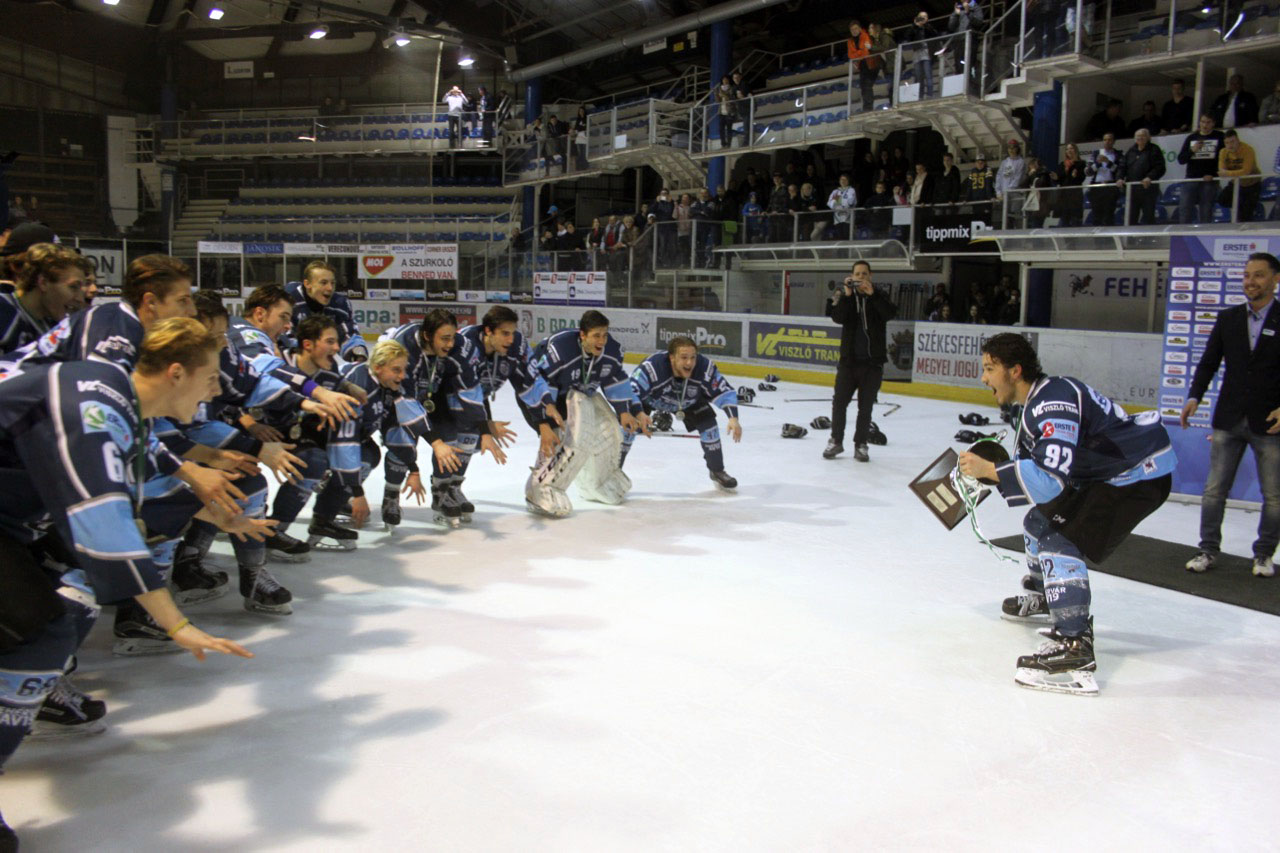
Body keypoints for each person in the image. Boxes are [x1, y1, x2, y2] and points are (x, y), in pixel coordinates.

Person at [0, 318, 263, 849]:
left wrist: (217, 516)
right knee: (45, 631)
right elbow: (105, 522)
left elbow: (130, 498)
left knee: (66, 605)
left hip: (17, 526)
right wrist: (177, 624)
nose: (216, 391)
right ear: (175, 373)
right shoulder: (96, 407)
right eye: (210, 378)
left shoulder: (123, 405)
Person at [956, 333, 1175, 695]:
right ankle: (1049, 596)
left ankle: (1075, 647)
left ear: (1015, 371)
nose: (984, 377)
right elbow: (1039, 469)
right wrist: (990, 473)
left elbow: (1050, 483)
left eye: (990, 368)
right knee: (1037, 523)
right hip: (1109, 471)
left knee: (1059, 542)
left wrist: (992, 471)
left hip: (1137, 474)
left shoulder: (1051, 403)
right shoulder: (1036, 400)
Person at [1180, 252, 1280, 577]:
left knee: (1274, 496)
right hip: (1229, 418)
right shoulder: (1228, 318)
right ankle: (1207, 550)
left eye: (1259, 275)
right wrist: (1194, 396)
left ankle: (1264, 555)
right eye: (1247, 275)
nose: (1251, 281)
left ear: (1276, 279)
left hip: (1270, 422)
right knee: (1214, 491)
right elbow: (1209, 361)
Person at [381, 308, 504, 527]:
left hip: (433, 394)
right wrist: (435, 442)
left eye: (453, 337)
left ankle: (442, 491)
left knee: (451, 438)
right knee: (404, 441)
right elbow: (405, 401)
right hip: (397, 396)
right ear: (427, 336)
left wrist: (484, 431)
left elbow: (470, 389)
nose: (450, 343)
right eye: (444, 338)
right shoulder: (403, 348)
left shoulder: (460, 347)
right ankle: (391, 495)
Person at [526, 310, 644, 517]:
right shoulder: (561, 349)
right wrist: (545, 422)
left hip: (578, 395)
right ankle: (539, 487)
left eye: (604, 335)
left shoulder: (611, 351)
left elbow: (615, 379)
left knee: (608, 430)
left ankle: (597, 482)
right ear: (582, 335)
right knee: (562, 438)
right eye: (596, 335)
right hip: (543, 395)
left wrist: (625, 411)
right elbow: (539, 382)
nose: (602, 341)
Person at [623, 336, 742, 490]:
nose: (689, 363)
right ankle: (613, 471)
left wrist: (733, 418)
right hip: (650, 400)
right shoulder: (652, 368)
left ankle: (717, 470)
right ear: (671, 357)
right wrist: (639, 414)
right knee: (626, 426)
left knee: (709, 425)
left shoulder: (704, 368)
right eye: (684, 357)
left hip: (689, 401)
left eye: (693, 357)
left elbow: (724, 390)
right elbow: (630, 391)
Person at [823, 260, 897, 462]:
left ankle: (861, 444)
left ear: (870, 276)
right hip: (849, 363)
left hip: (872, 364)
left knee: (865, 408)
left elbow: (889, 313)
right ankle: (836, 440)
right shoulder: (846, 295)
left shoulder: (879, 295)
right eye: (857, 274)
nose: (861, 277)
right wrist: (847, 295)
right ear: (852, 276)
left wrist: (872, 295)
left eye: (864, 274)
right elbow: (838, 317)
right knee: (839, 403)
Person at [0, 242, 90, 355]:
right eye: (73, 287)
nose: (80, 299)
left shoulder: (52, 326)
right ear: (43, 282)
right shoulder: (5, 314)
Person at [285, 260, 367, 361]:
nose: (330, 288)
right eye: (323, 283)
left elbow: (348, 334)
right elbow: (284, 338)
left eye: (333, 283)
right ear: (307, 284)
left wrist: (357, 352)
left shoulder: (340, 304)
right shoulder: (288, 301)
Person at [1174, 114, 1224, 225]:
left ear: (1213, 123)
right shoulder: (1192, 137)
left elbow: (1223, 158)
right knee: (1185, 208)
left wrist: (1214, 174)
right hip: (1191, 178)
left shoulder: (1220, 136)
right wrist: (1192, 150)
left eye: (1208, 122)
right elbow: (1181, 159)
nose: (1205, 125)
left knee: (1206, 209)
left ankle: (1204, 232)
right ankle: (1183, 232)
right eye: (1203, 122)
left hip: (1209, 180)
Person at [1120, 128, 1166, 225]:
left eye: (1143, 136)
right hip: (1132, 190)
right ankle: (1130, 235)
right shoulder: (1131, 151)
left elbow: (1160, 167)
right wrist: (1119, 178)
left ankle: (1149, 234)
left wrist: (1149, 177)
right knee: (1130, 218)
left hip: (1148, 189)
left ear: (1148, 138)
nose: (1140, 138)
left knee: (1148, 217)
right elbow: (1122, 166)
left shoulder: (1154, 149)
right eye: (1138, 136)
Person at [1217, 129, 1262, 222]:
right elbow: (1222, 171)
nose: (1230, 145)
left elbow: (1246, 171)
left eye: (1232, 141)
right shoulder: (1223, 152)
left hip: (1251, 184)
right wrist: (1230, 173)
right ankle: (1239, 206)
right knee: (1222, 200)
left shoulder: (1248, 149)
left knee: (1245, 215)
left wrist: (1228, 173)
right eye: (1227, 143)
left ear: (1238, 140)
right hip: (1236, 183)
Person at [1084, 133, 1121, 225]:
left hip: (1110, 187)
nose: (1107, 142)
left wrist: (1107, 162)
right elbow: (1089, 172)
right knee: (1096, 215)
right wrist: (1098, 164)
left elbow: (1119, 170)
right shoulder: (1096, 153)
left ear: (1113, 141)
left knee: (1109, 215)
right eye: (1105, 140)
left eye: (1109, 140)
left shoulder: (1117, 154)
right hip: (1097, 187)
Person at [847, 20, 878, 113]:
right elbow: (850, 55)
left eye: (856, 28)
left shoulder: (865, 36)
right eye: (852, 29)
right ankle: (867, 107)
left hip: (869, 63)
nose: (854, 31)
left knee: (867, 85)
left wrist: (857, 53)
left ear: (860, 28)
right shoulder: (850, 41)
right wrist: (860, 52)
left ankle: (868, 108)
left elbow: (866, 52)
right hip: (861, 65)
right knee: (863, 86)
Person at [994, 140, 1027, 227]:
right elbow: (999, 176)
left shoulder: (1020, 162)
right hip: (1004, 194)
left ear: (1017, 149)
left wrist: (1008, 190)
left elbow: (1018, 178)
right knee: (1005, 219)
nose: (1011, 150)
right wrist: (998, 192)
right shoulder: (1004, 162)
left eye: (1013, 148)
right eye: (1009, 148)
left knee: (1016, 216)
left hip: (1014, 194)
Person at [907, 12, 938, 100]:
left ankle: (929, 94)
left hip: (927, 52)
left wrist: (925, 26)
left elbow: (934, 34)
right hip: (917, 53)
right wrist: (915, 25)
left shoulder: (929, 27)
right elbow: (908, 37)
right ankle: (920, 96)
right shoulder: (914, 28)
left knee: (928, 75)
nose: (923, 18)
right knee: (919, 76)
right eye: (921, 17)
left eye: (925, 17)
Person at [1020, 156, 1053, 228]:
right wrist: (1029, 176)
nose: (1032, 166)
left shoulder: (1044, 173)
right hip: (1031, 203)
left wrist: (1034, 174)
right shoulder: (1030, 175)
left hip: (1041, 203)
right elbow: (1022, 185)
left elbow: (1040, 184)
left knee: (1036, 224)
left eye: (1033, 164)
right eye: (1030, 165)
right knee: (1031, 224)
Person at [964, 154, 995, 223]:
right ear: (975, 163)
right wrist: (966, 198)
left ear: (985, 163)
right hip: (976, 200)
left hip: (985, 200)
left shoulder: (988, 170)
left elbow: (989, 184)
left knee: (986, 219)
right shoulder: (972, 171)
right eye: (978, 162)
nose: (980, 164)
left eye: (982, 162)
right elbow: (969, 186)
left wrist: (990, 197)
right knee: (976, 219)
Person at [867, 22, 896, 92]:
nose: (869, 30)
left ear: (875, 29)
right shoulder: (875, 40)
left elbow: (884, 47)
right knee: (891, 87)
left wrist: (871, 47)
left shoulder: (884, 36)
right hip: (886, 67)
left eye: (871, 28)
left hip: (893, 64)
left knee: (893, 86)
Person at [826, 173, 857, 240]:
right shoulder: (835, 191)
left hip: (848, 217)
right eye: (841, 179)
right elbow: (829, 203)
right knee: (840, 237)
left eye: (845, 180)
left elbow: (850, 202)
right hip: (837, 218)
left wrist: (838, 200)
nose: (843, 181)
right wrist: (837, 202)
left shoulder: (851, 190)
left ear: (848, 181)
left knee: (847, 236)